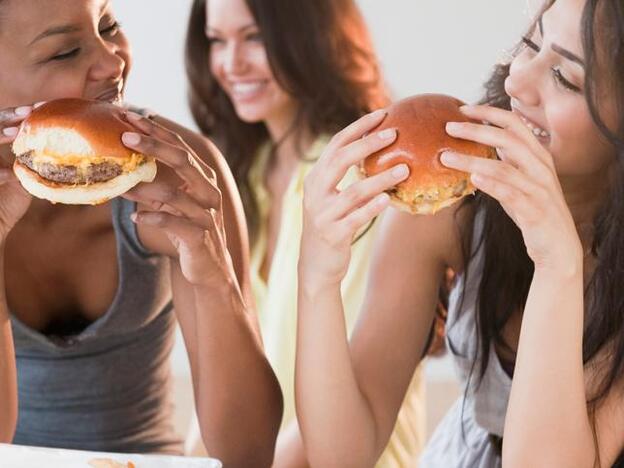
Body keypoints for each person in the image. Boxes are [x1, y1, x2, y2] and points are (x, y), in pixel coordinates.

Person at [296, 0, 624, 466]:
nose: (516, 81)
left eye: (566, 78)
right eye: (530, 45)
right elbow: (342, 455)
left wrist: (557, 267)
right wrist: (317, 280)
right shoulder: (451, 208)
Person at [0, 1, 282, 466]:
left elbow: (248, 454)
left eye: (108, 25)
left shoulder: (179, 169)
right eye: (65, 51)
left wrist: (214, 276)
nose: (113, 61)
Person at [185, 0, 427, 465]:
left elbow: (351, 381)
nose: (231, 64)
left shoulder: (364, 178)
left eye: (253, 37)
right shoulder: (245, 174)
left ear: (313, 35)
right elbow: (223, 372)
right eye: (217, 41)